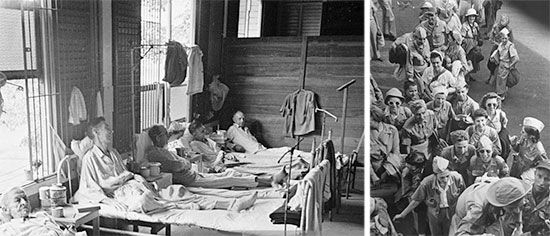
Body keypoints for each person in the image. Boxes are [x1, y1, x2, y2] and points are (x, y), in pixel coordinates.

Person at [74, 117, 259, 213]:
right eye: (107, 129)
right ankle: (229, 204)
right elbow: (90, 189)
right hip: (125, 194)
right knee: (168, 201)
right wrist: (110, 200)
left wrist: (135, 176)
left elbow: (125, 173)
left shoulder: (113, 152)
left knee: (178, 192)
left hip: (136, 186)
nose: (111, 132)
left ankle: (231, 203)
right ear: (95, 133)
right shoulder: (90, 158)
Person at [146, 124, 274, 188]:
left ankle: (269, 179)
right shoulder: (155, 153)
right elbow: (176, 166)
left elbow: (181, 163)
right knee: (230, 177)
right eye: (165, 134)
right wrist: (186, 162)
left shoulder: (164, 150)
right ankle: (269, 181)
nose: (168, 136)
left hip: (195, 173)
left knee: (231, 173)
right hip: (191, 179)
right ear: (158, 138)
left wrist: (186, 163)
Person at [394, 156, 465, 236]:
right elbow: (416, 200)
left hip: (452, 211)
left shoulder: (457, 178)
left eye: (447, 176)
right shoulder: (426, 183)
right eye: (442, 177)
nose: (445, 180)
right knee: (436, 233)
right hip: (434, 213)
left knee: (450, 233)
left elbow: (464, 196)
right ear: (435, 175)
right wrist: (402, 214)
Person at [448, 177, 531, 235]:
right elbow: (460, 233)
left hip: (492, 214)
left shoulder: (508, 191)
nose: (517, 211)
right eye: (512, 208)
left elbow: (518, 207)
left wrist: (519, 228)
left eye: (520, 206)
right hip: (464, 220)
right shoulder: (477, 209)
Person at [0, 187, 71, 236]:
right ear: (5, 210)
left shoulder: (42, 215)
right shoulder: (8, 229)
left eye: (25, 198)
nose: (24, 202)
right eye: (17, 200)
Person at [509, 117, 547, 184]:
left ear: (531, 136)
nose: (521, 133)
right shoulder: (523, 140)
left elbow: (545, 163)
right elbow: (518, 149)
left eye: (523, 132)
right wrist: (513, 144)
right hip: (518, 168)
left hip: (528, 175)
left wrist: (534, 172)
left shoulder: (538, 149)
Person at [371, 106, 402, 186]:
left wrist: (387, 171)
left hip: (391, 166)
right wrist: (374, 176)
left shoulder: (392, 130)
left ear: (376, 118)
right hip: (374, 170)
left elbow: (396, 152)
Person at [520, 160, 550, 236]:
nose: (541, 183)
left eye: (547, 179)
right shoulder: (522, 194)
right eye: (539, 176)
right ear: (534, 174)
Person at [490, 27, 519, 100]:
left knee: (502, 81)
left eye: (505, 38)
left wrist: (510, 65)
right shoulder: (500, 45)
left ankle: (501, 95)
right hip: (500, 64)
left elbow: (516, 58)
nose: (504, 40)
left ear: (508, 37)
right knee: (499, 80)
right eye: (502, 38)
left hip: (506, 65)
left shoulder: (510, 46)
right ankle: (500, 93)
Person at [480, 92, 511, 160]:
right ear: (485, 105)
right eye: (489, 105)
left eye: (494, 105)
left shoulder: (501, 114)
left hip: (498, 140)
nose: (492, 107)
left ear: (497, 104)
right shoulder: (482, 115)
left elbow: (504, 126)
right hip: (486, 139)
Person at [487, 15, 513, 85]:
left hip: (504, 50)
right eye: (501, 19)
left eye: (504, 19)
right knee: (491, 64)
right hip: (495, 49)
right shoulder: (496, 27)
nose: (502, 21)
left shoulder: (509, 29)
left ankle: (499, 81)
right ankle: (491, 77)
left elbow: (511, 42)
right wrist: (495, 43)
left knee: (501, 66)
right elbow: (491, 38)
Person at [461, 8, 484, 82]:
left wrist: (478, 40)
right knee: (468, 61)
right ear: (467, 17)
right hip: (467, 47)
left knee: (474, 61)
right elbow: (462, 38)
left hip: (474, 45)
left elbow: (478, 34)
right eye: (470, 16)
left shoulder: (476, 25)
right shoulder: (464, 26)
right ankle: (466, 78)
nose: (472, 18)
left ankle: (469, 75)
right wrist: (469, 41)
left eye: (473, 16)